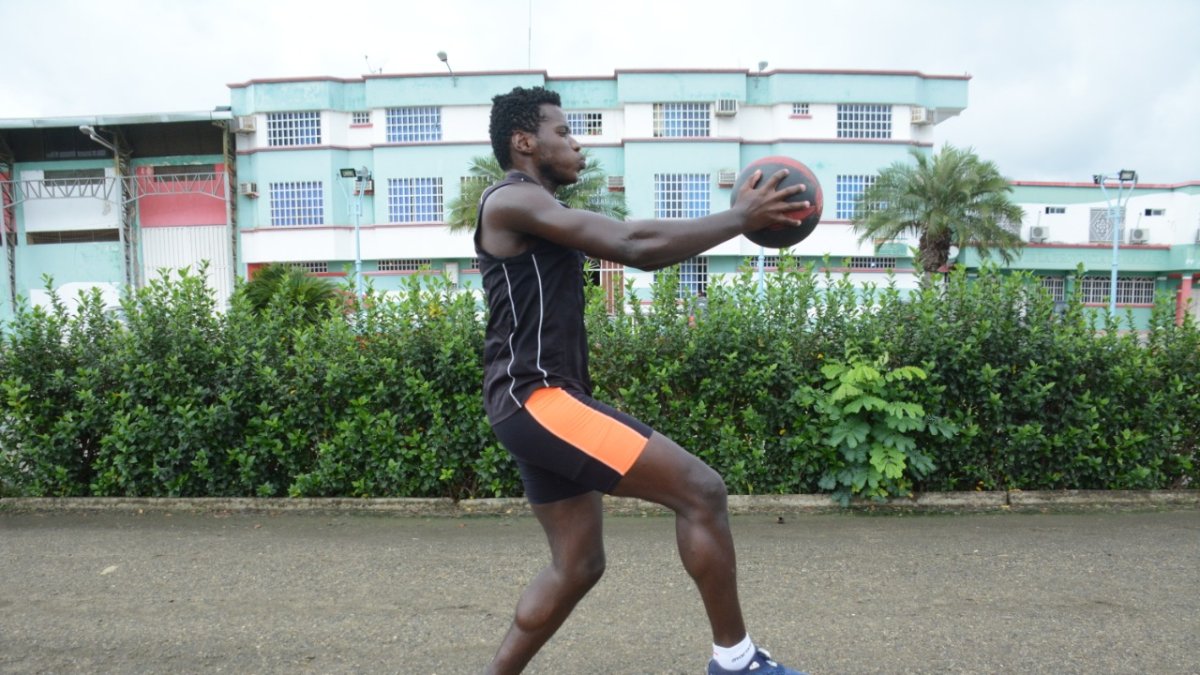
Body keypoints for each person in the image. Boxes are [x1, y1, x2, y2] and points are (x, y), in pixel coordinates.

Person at [475, 85, 809, 675]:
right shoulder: (511, 200)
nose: (576, 144)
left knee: (578, 565)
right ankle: (736, 662)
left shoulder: (538, 211)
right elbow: (634, 245)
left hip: (532, 403)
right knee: (701, 492)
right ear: (524, 142)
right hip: (537, 399)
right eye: (563, 132)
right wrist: (740, 218)